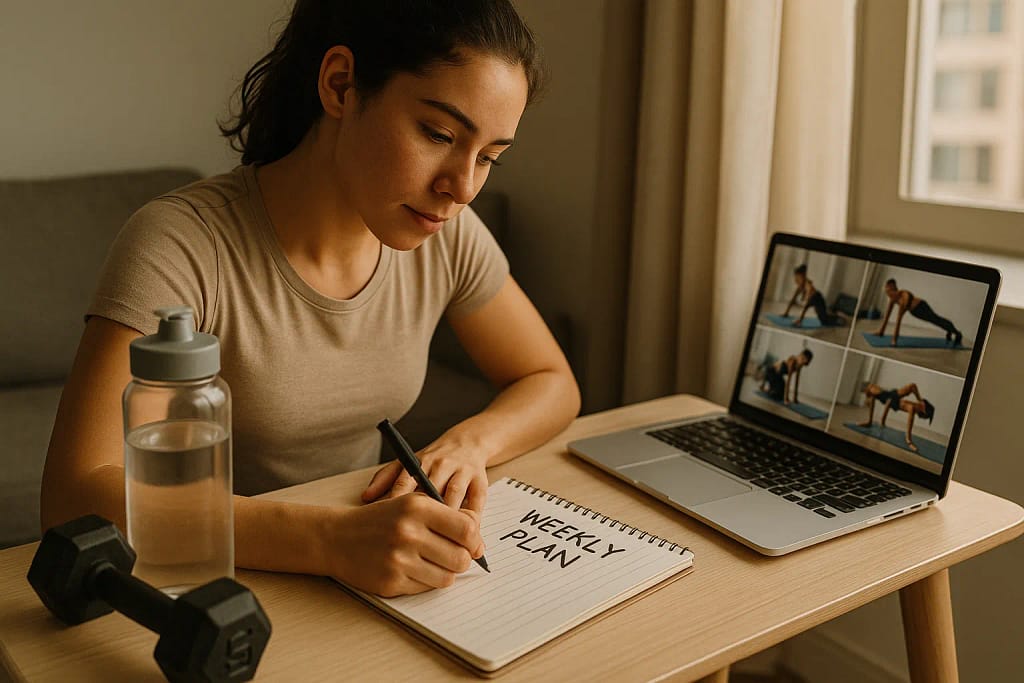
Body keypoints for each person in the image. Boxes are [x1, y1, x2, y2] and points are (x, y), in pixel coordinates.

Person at [40, 0, 581, 598]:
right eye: (439, 134)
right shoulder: (181, 243)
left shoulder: (446, 236)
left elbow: (551, 379)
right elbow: (71, 498)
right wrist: (327, 540)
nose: (463, 187)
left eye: (489, 158)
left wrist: (468, 443)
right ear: (341, 85)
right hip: (210, 585)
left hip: (365, 577)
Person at [875, 279, 962, 347]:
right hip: (915, 312)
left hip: (921, 307)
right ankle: (949, 330)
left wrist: (894, 340)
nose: (887, 294)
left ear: (892, 288)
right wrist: (881, 332)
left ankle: (957, 333)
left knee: (936, 320)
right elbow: (886, 317)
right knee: (936, 320)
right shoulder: (892, 299)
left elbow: (898, 320)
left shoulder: (904, 295)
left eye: (887, 290)